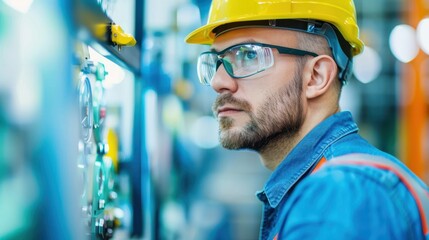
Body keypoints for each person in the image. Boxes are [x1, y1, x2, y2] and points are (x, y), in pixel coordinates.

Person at [185, 0, 429, 239]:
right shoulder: (332, 186)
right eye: (216, 61)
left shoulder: (339, 196)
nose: (218, 82)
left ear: (316, 76)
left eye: (248, 55)